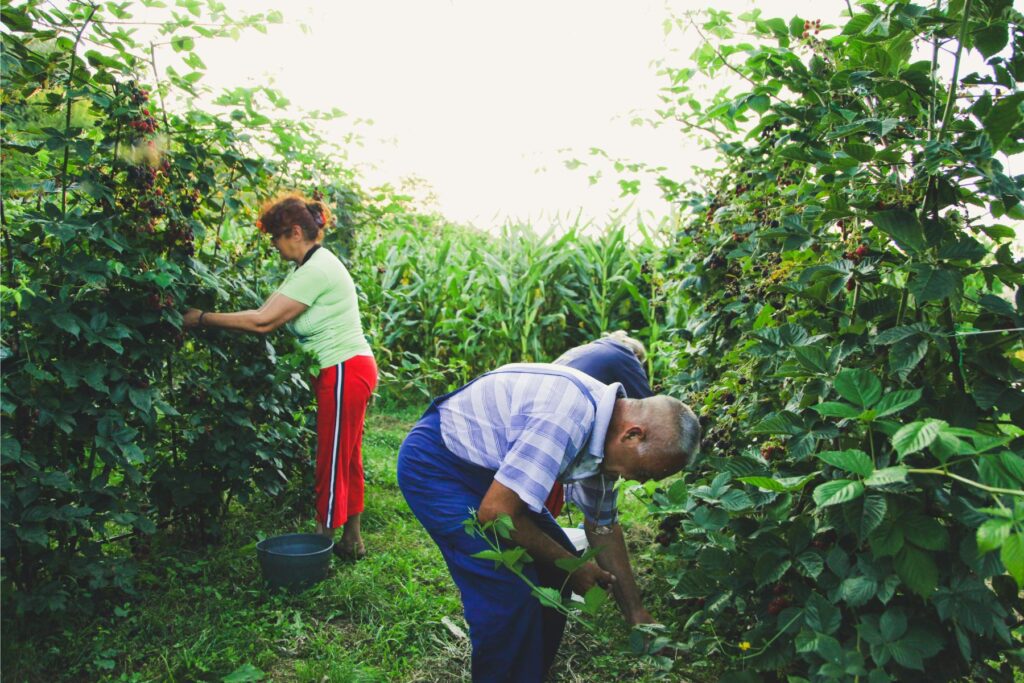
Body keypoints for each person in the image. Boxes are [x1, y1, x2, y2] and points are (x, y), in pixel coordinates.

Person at [396, 362, 700, 682]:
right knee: (508, 591)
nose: (637, 480)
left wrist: (636, 614)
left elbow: (603, 527)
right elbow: (497, 514)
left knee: (554, 575)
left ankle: (530, 674)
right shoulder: (566, 418)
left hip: (492, 473)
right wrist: (574, 566)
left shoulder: (607, 433)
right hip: (438, 465)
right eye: (643, 472)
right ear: (633, 434)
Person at [182, 192, 377, 560]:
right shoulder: (309, 268)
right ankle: (352, 541)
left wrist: (202, 319)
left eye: (276, 237)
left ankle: (319, 547)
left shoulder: (317, 270)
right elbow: (266, 310)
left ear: (295, 232)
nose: (273, 245)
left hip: (344, 368)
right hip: (347, 368)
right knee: (346, 457)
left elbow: (262, 321)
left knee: (332, 460)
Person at [545, 330, 654, 516]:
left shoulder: (585, 350)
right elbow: (647, 408)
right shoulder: (625, 355)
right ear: (636, 356)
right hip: (562, 424)